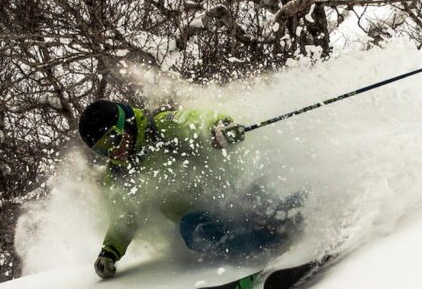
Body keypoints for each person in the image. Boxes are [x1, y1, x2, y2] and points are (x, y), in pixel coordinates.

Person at [77, 100, 302, 279]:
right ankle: (261, 249)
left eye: (113, 140)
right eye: (102, 150)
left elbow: (195, 122)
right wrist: (110, 251)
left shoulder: (159, 126)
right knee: (192, 230)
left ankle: (301, 213)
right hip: (201, 216)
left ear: (125, 122)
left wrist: (219, 128)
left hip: (228, 190)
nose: (113, 152)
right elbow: (125, 216)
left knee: (258, 200)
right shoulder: (120, 174)